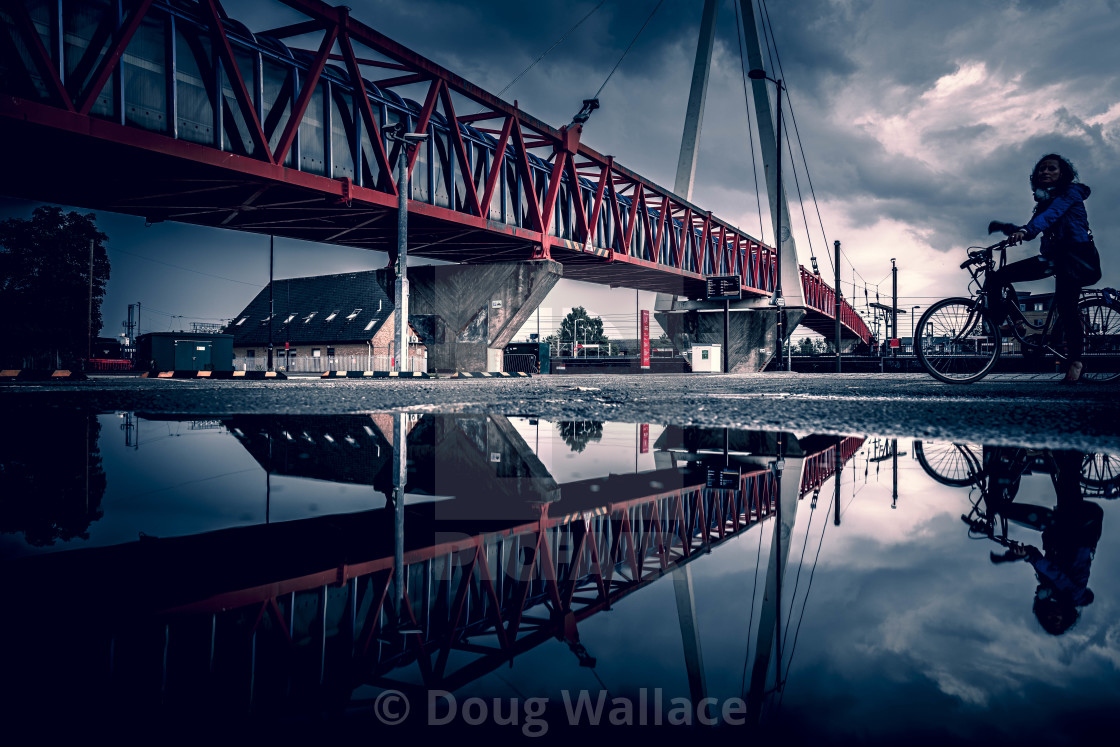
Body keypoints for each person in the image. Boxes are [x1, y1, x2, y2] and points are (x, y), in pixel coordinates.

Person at [987, 154, 1100, 383]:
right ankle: (1012, 322)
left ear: (1063, 173)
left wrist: (1027, 231)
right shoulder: (1044, 201)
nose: (1045, 172)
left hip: (1075, 259)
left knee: (1067, 308)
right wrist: (1009, 229)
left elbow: (1050, 217)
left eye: (1051, 168)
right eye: (1041, 169)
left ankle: (1076, 363)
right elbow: (1033, 228)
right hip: (1053, 258)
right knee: (999, 276)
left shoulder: (1071, 193)